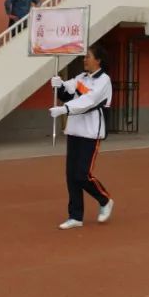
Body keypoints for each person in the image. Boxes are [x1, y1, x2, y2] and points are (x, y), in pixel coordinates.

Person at [49, 45, 115, 229]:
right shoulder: (81, 78)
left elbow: (89, 102)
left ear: (98, 60)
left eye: (88, 57)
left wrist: (65, 109)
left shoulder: (104, 81)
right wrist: (58, 84)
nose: (84, 60)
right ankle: (75, 216)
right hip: (74, 131)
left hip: (91, 133)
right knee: (71, 176)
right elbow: (66, 93)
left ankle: (105, 200)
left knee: (82, 174)